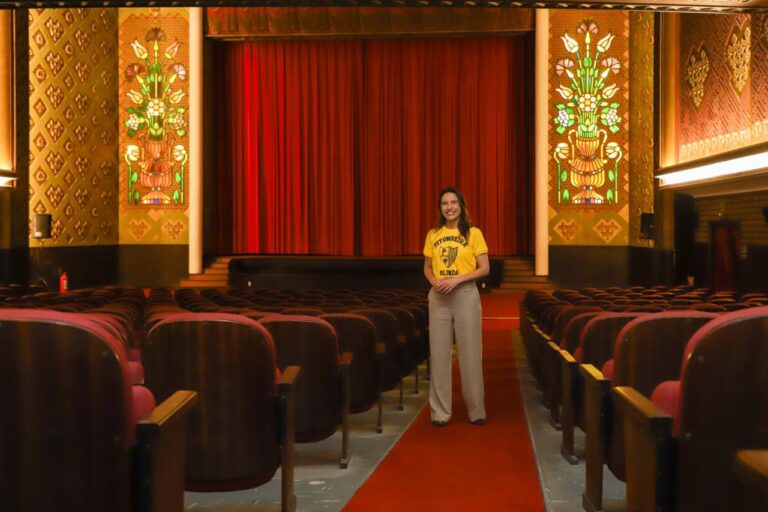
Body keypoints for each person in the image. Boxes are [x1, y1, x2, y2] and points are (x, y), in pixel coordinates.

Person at [422, 187, 489, 426]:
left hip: (465, 294)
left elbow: (485, 268)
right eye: (444, 203)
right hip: (439, 297)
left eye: (453, 202)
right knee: (439, 355)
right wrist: (433, 281)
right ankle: (440, 412)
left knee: (470, 354)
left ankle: (476, 411)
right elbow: (427, 267)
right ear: (440, 208)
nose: (449, 207)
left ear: (461, 206)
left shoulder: (473, 233)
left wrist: (458, 279)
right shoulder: (433, 235)